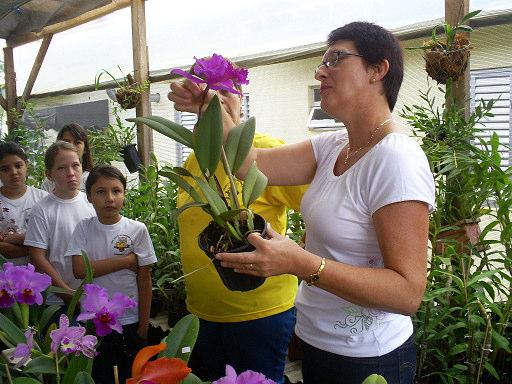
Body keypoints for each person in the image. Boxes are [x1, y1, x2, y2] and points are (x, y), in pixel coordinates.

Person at [170, 22, 435, 384]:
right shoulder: (333, 146)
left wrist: (299, 262)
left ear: (378, 69)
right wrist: (210, 103)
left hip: (367, 356)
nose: (321, 70)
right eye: (322, 61)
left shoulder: (397, 159)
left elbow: (407, 293)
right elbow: (246, 163)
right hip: (317, 341)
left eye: (335, 58)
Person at [168, 75, 307, 383]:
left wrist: (304, 259)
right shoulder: (195, 159)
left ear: (240, 98)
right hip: (203, 313)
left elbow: (322, 206)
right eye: (206, 91)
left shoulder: (265, 153)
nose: (213, 100)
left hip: (259, 314)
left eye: (223, 91)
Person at [65, 165, 156, 384]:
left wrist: (143, 327)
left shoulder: (137, 229)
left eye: (116, 191)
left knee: (131, 377)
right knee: (101, 375)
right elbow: (79, 271)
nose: (109, 198)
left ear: (124, 194)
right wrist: (126, 261)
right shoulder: (83, 229)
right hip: (94, 323)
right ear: (89, 197)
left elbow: (144, 280)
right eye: (100, 191)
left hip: (130, 321)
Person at [24, 141, 96, 306]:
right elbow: (37, 257)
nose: (71, 173)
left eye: (75, 165)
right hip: (59, 301)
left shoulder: (91, 202)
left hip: (94, 299)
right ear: (49, 175)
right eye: (62, 168)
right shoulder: (42, 210)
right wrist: (67, 294)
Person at [0, 142, 48, 265]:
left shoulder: (44, 199)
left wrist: (8, 238)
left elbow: (52, 239)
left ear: (27, 165)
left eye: (18, 165)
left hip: (38, 275)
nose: (14, 172)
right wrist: (36, 247)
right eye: (5, 169)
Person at [41, 123, 93, 193]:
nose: (71, 146)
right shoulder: (49, 183)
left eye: (77, 142)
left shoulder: (92, 180)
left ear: (85, 149)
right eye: (66, 142)